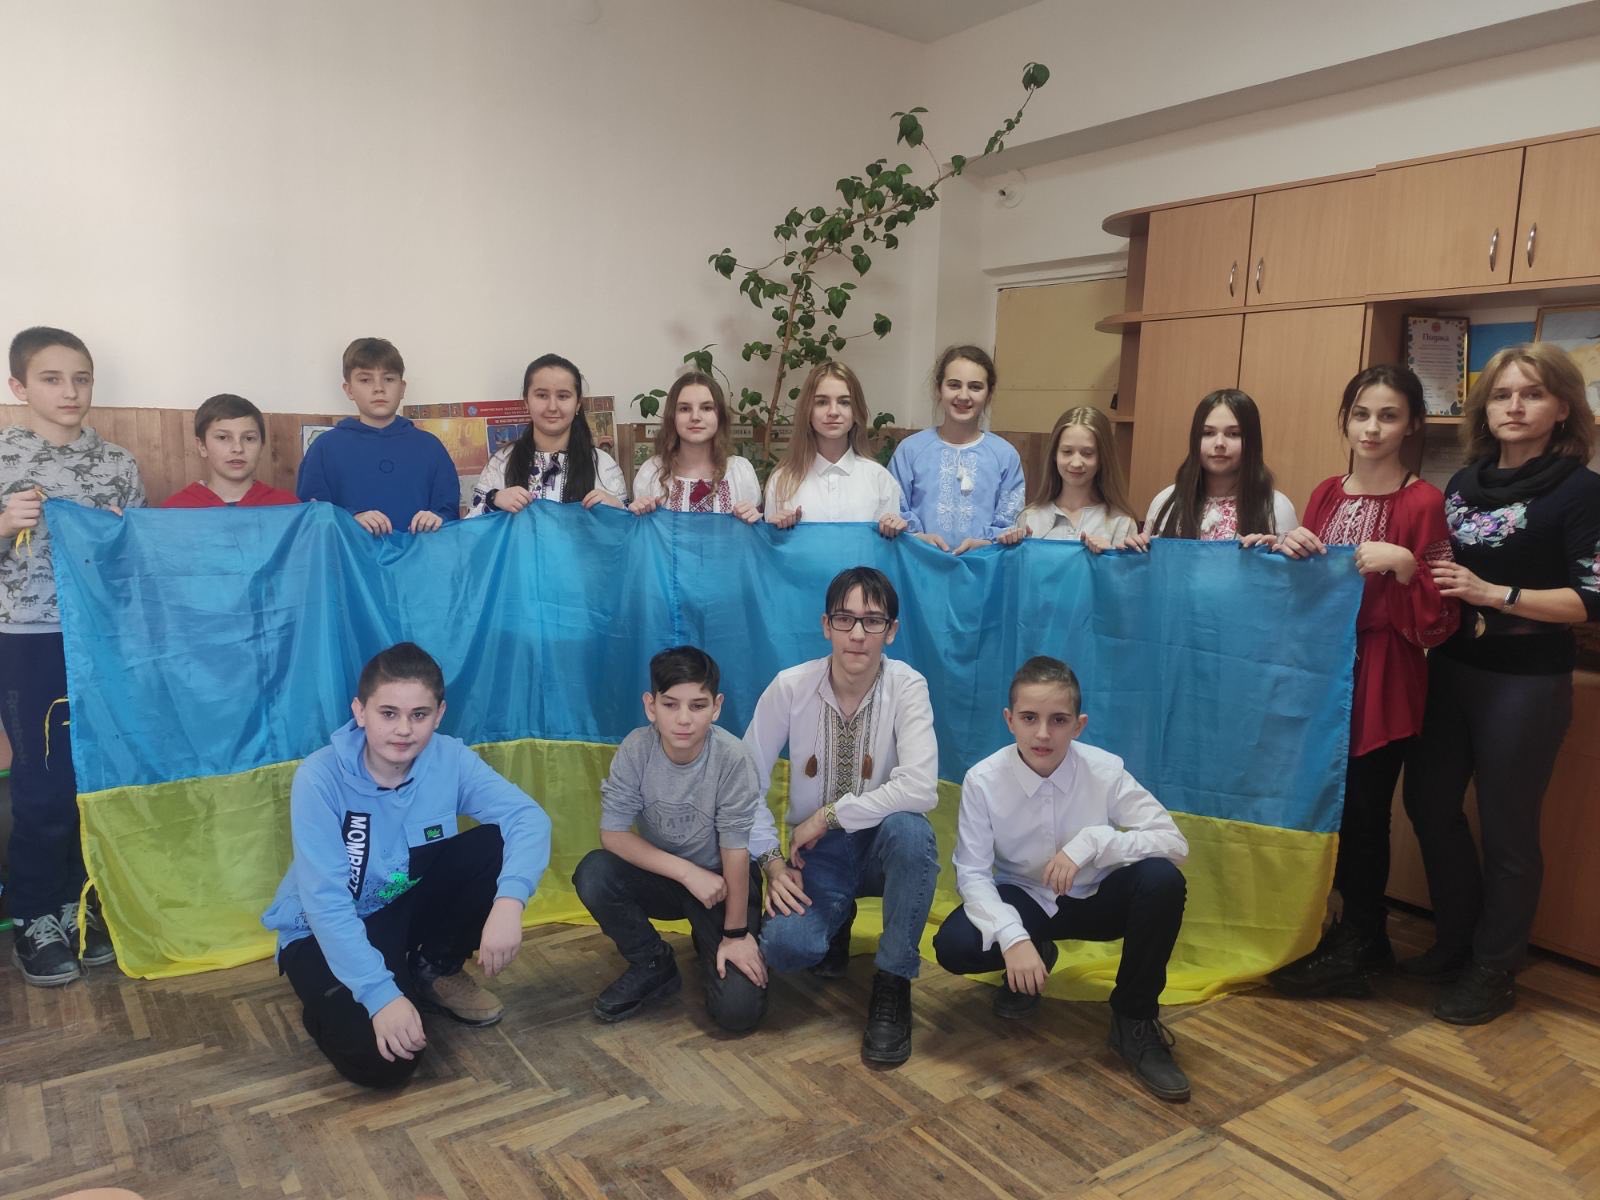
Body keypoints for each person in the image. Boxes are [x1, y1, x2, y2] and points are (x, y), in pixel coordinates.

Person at [1402, 342, 1600, 1025]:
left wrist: (1494, 593)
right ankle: (1457, 940)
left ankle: (1495, 966)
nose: (1514, 406)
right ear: (1484, 409)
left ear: (1562, 408)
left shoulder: (1582, 491)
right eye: (1502, 394)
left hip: (1526, 682)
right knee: (1429, 804)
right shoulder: (1464, 483)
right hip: (1452, 668)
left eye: (1532, 394)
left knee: (1509, 829)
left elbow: (1591, 600)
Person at [262, 642, 552, 1088]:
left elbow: (528, 818)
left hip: (399, 905)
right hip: (321, 929)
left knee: (495, 843)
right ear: (360, 712)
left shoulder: (450, 758)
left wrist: (510, 902)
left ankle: (433, 970)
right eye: (388, 713)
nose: (403, 730)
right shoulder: (319, 778)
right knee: (386, 1064)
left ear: (439, 714)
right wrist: (379, 996)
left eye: (419, 714)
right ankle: (332, 1002)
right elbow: (325, 903)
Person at [1265, 365, 1458, 998]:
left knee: (1366, 810)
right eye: (1361, 414)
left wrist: (1406, 568)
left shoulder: (1423, 502)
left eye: (1388, 416)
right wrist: (1291, 548)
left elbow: (1442, 619)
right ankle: (1346, 930)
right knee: (1330, 805)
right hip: (1325, 670)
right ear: (1345, 420)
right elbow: (1306, 593)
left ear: (1412, 425)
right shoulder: (1326, 492)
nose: (1372, 428)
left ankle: (1362, 942)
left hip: (1383, 675)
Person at [932, 656, 1192, 1102]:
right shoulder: (983, 781)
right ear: (1009, 720)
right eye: (1029, 718)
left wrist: (1092, 842)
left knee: (1162, 880)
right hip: (1026, 899)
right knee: (954, 945)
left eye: (1058, 720)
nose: (1042, 734)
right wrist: (1013, 937)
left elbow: (1174, 843)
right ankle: (1036, 953)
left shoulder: (1105, 770)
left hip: (1097, 898)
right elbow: (973, 873)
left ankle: (1133, 1018)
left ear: (1078, 725)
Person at [742, 566, 939, 1066]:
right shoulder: (790, 687)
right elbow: (743, 786)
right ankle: (836, 919)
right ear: (826, 625)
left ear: (891, 631)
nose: (857, 634)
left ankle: (893, 980)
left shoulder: (907, 686)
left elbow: (920, 787)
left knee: (911, 833)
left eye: (873, 621)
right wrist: (771, 863)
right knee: (786, 949)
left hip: (881, 846)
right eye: (845, 619)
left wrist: (831, 814)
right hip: (817, 855)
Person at [1, 326, 144, 986]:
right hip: (28, 639)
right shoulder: (4, 457)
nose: (70, 391)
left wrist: (122, 539)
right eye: (52, 378)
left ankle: (80, 902)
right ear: (19, 386)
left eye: (81, 378)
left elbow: (139, 566)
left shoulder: (117, 464)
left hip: (103, 641)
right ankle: (34, 913)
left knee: (96, 777)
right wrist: (4, 522)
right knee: (43, 784)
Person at [572, 646, 768, 1030]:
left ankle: (712, 937)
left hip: (722, 884)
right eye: (670, 704)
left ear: (716, 707)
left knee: (738, 1014)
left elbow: (736, 850)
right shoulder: (636, 749)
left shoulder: (733, 757)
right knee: (594, 872)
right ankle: (652, 962)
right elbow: (613, 833)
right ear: (651, 706)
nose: (683, 719)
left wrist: (735, 933)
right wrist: (685, 872)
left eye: (698, 705)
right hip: (667, 877)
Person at [295, 338, 458, 534]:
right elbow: (312, 517)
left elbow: (449, 513)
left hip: (419, 552)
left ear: (402, 388)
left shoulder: (430, 447)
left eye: (388, 379)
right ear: (349, 390)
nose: (379, 388)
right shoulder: (324, 448)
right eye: (365, 380)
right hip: (351, 553)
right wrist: (351, 519)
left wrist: (437, 518)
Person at [887, 345, 1026, 554]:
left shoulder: (1005, 456)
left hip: (984, 567)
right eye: (954, 385)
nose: (963, 395)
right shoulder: (910, 451)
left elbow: (1010, 525)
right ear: (939, 389)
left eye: (975, 387)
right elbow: (893, 513)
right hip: (918, 565)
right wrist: (919, 538)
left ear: (989, 394)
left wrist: (984, 544)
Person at [1128, 390, 1296, 547]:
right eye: (1208, 433)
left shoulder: (1275, 507)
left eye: (1233, 434)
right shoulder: (1166, 502)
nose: (1219, 443)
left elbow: (1287, 567)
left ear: (1252, 441)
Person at [467, 353, 626, 515]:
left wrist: (617, 510)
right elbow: (470, 526)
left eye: (563, 396)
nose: (552, 407)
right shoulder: (502, 462)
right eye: (542, 395)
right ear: (526, 402)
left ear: (578, 403)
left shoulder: (603, 466)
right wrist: (494, 500)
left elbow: (628, 527)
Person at [763, 362, 904, 534]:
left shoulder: (879, 479)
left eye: (844, 402)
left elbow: (886, 547)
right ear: (807, 410)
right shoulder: (782, 481)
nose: (833, 412)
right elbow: (772, 547)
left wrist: (892, 530)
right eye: (822, 402)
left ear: (856, 411)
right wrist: (778, 530)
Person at [1018, 406, 1138, 550]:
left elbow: (1127, 565)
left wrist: (1110, 557)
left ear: (1102, 457)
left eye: (1087, 453)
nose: (1076, 463)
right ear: (1054, 454)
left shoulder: (1121, 522)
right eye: (1067, 452)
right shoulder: (1030, 518)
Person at [162, 394, 300, 507]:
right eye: (223, 437)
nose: (238, 448)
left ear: (261, 446)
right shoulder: (177, 509)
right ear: (202, 446)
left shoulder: (287, 507)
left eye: (249, 438)